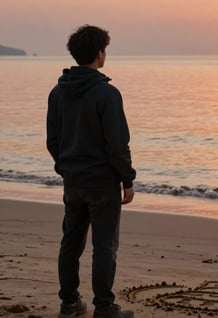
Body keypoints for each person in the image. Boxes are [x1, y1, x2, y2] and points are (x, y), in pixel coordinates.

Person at [47, 25, 136, 318]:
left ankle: (69, 303)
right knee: (104, 246)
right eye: (105, 50)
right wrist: (128, 179)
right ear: (100, 54)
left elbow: (53, 141)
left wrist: (66, 167)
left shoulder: (57, 92)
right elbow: (117, 144)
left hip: (73, 180)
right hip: (101, 182)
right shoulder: (106, 93)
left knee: (71, 242)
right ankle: (104, 307)